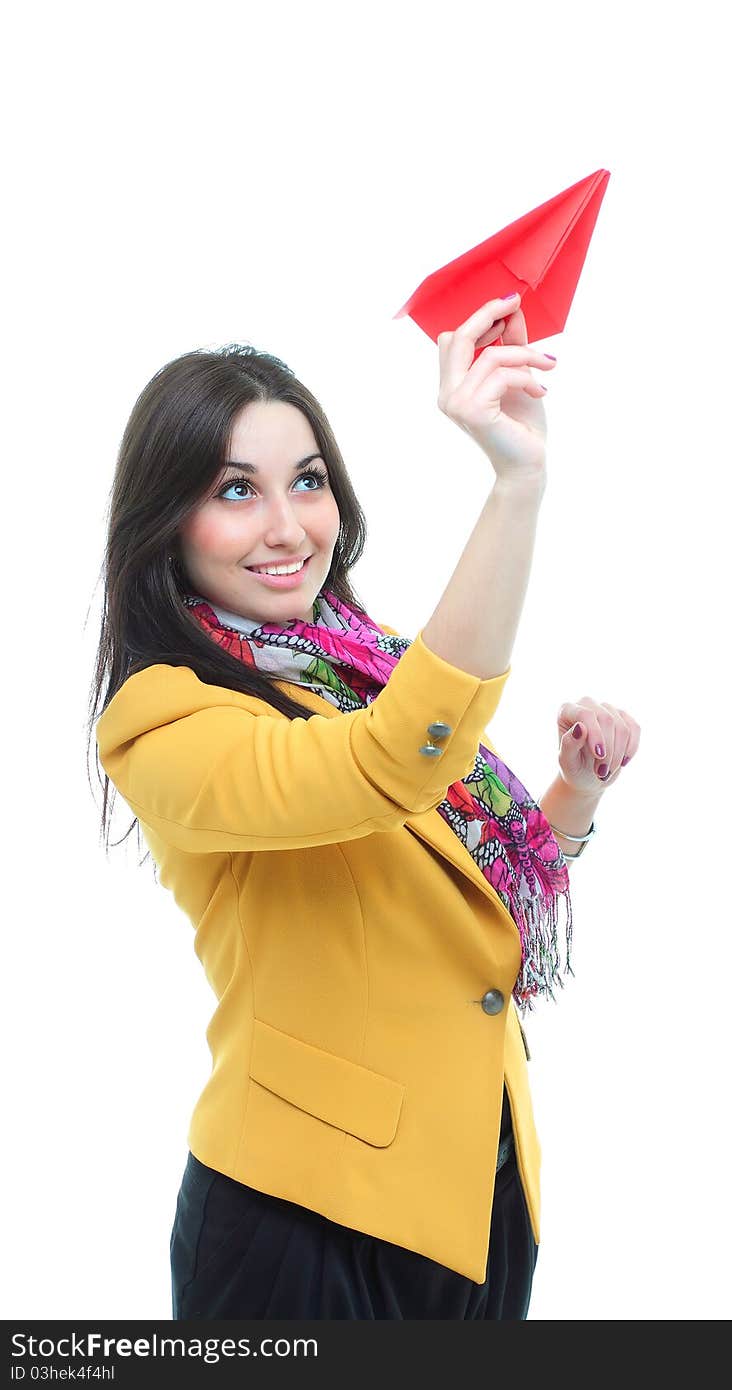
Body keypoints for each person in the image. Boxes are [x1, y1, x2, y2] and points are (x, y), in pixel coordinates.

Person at [90, 291, 639, 1319]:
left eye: (306, 480)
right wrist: (515, 487)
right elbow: (395, 767)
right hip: (301, 1217)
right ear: (168, 519)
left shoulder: (355, 667)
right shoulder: (163, 721)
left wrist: (574, 790)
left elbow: (463, 911)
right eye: (236, 489)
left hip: (476, 1192)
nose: (289, 525)